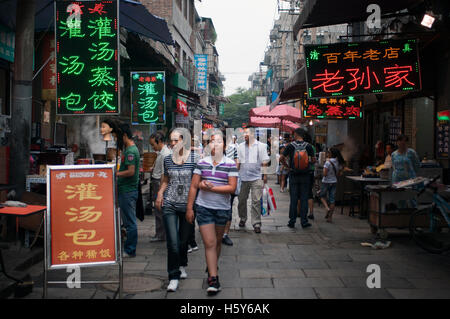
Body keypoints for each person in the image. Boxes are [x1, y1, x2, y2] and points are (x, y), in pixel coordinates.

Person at [186, 131, 238, 295]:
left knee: (216, 243)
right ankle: (213, 279)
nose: (215, 144)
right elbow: (194, 185)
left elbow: (232, 188)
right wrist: (189, 208)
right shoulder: (202, 163)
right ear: (208, 145)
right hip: (204, 208)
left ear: (224, 145)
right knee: (209, 243)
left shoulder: (230, 164)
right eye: (212, 142)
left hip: (222, 209)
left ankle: (212, 266)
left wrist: (211, 187)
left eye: (219, 142)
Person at [155, 128, 200, 292]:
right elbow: (166, 179)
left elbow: (197, 183)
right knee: (172, 243)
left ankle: (182, 264)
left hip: (188, 206)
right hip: (170, 204)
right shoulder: (167, 159)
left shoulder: (195, 159)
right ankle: (173, 276)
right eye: (171, 140)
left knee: (183, 241)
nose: (173, 144)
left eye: (176, 140)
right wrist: (160, 194)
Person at [280, 128, 315, 229]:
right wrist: (307, 164)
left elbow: (281, 158)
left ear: (295, 134)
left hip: (293, 175)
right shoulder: (309, 146)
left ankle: (292, 221)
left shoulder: (290, 146)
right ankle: (304, 221)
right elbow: (313, 160)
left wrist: (288, 167)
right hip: (305, 176)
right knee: (304, 198)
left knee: (294, 198)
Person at [237, 127, 270, 234]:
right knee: (241, 200)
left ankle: (256, 223)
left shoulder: (261, 146)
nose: (244, 135)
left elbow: (264, 161)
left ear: (252, 134)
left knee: (256, 201)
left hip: (257, 177)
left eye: (246, 133)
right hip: (243, 177)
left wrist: (265, 175)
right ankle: (243, 218)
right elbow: (239, 161)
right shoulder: (240, 146)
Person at [116, 123, 141, 258]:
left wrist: (116, 173)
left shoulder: (131, 151)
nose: (117, 139)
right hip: (125, 190)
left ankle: (130, 249)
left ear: (124, 135)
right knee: (128, 221)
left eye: (118, 137)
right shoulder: (128, 149)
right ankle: (129, 248)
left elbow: (131, 171)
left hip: (128, 190)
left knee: (130, 222)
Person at [149, 131, 172, 242]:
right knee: (159, 210)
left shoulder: (164, 154)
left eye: (153, 144)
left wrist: (160, 192)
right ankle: (161, 233)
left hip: (159, 182)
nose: (153, 147)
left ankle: (161, 234)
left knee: (159, 210)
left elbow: (164, 174)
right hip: (157, 181)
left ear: (159, 142)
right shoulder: (161, 153)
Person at [320, 148, 345, 223]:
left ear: (331, 154)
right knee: (332, 200)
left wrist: (323, 173)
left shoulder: (327, 162)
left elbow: (324, 174)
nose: (327, 154)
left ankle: (327, 208)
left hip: (326, 182)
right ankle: (330, 218)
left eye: (328, 152)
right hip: (334, 182)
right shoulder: (338, 162)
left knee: (321, 196)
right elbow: (339, 173)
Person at [222, 135, 239, 246]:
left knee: (228, 209)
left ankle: (225, 234)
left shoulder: (233, 149)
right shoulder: (209, 150)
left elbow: (237, 164)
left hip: (228, 184)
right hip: (213, 187)